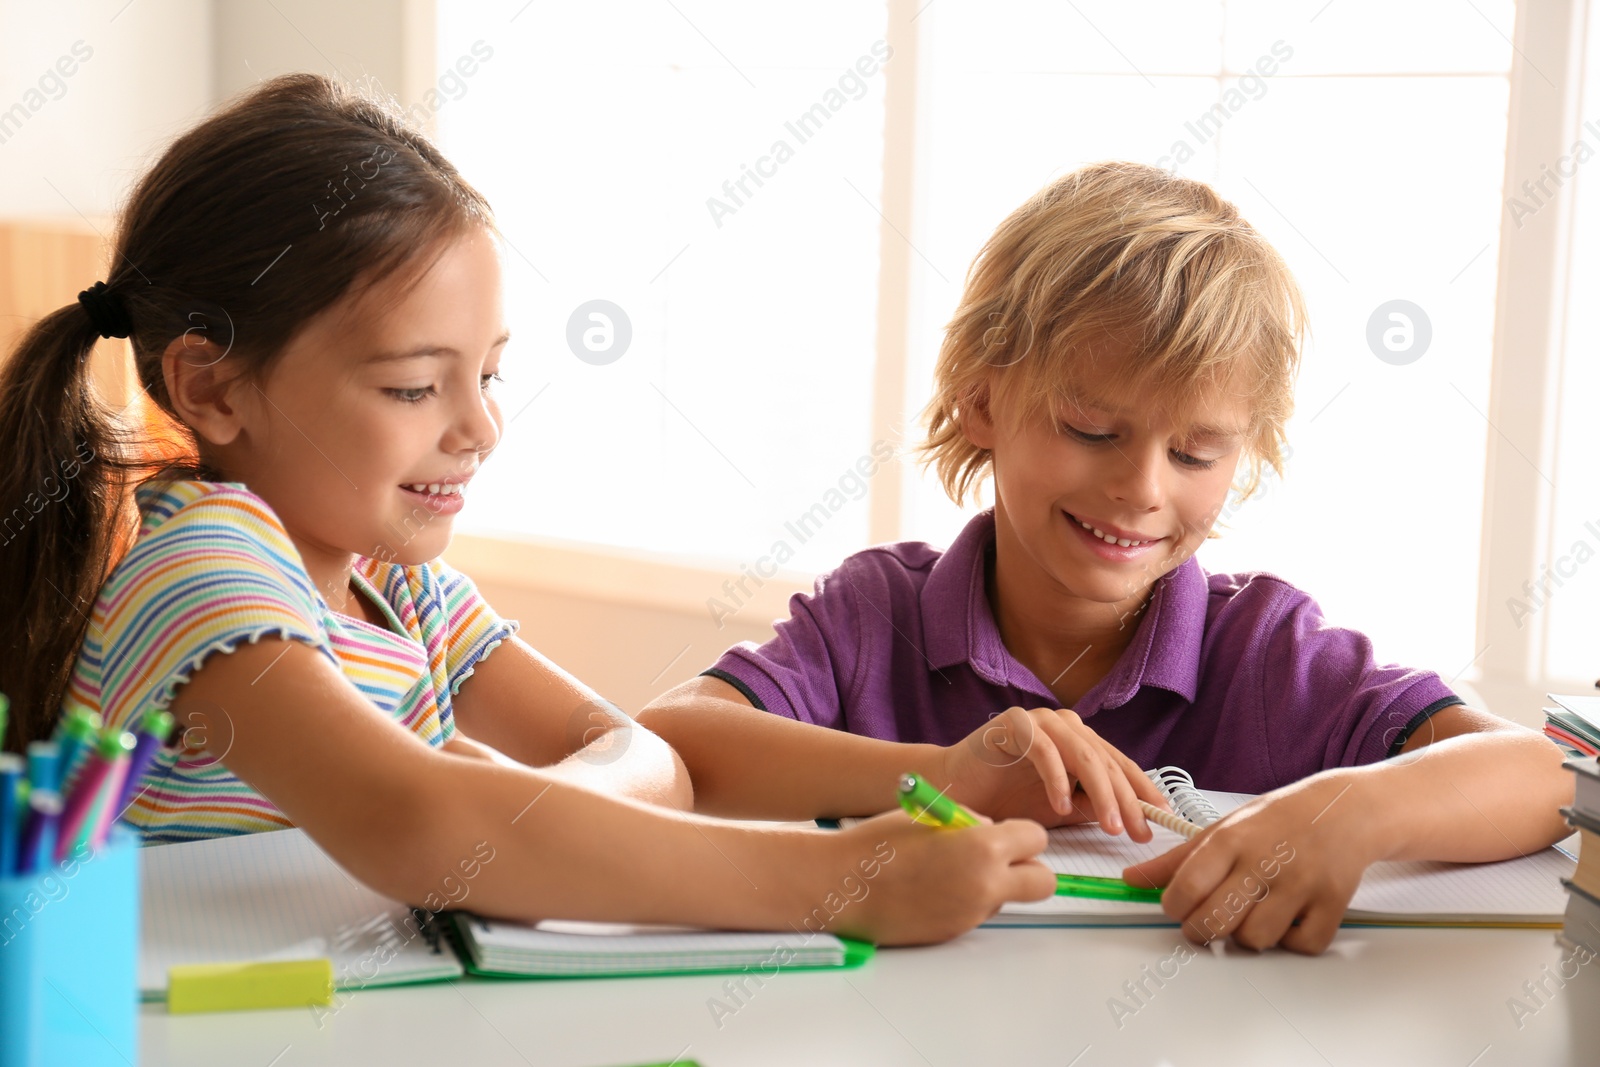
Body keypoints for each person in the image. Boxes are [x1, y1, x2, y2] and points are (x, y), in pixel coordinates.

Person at [0, 74, 1054, 945]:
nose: (479, 428)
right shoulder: (204, 573)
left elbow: (648, 757)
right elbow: (424, 825)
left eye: (489, 375)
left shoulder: (399, 586)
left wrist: (504, 810)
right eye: (415, 385)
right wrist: (839, 877)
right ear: (213, 388)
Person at [638, 162, 1573, 954]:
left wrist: (1352, 813)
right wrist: (944, 774)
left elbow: (1552, 776)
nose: (1141, 488)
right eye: (1091, 429)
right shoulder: (874, 614)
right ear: (982, 401)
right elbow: (670, 738)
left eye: (1196, 454)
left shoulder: (1265, 648)